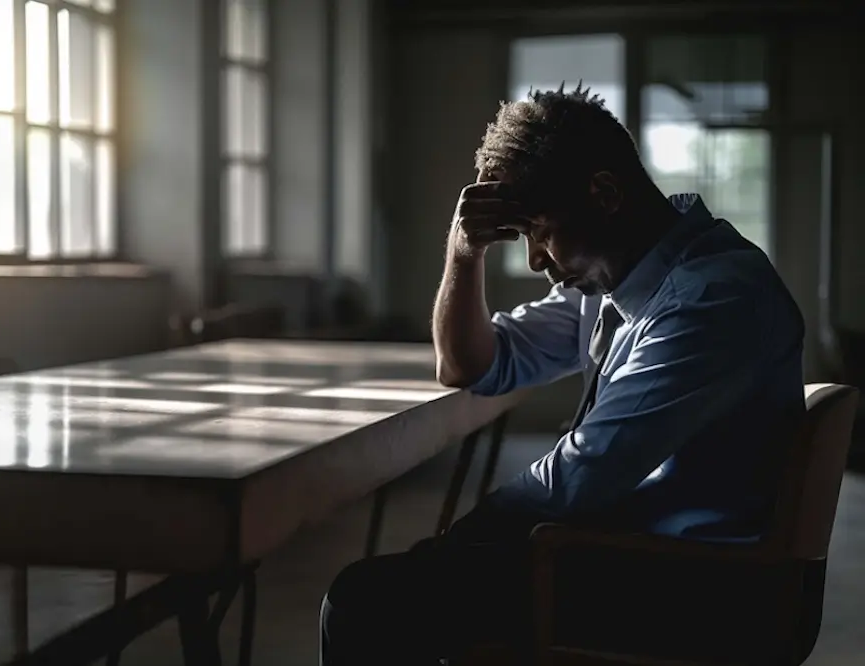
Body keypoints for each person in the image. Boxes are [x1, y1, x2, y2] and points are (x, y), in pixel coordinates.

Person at [319, 83, 807, 665]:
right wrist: (462, 253)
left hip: (701, 589)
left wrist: (460, 539)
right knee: (415, 589)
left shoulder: (710, 297)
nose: (534, 262)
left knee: (364, 604)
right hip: (640, 554)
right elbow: (470, 364)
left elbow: (583, 475)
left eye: (539, 233)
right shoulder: (617, 279)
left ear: (603, 193)